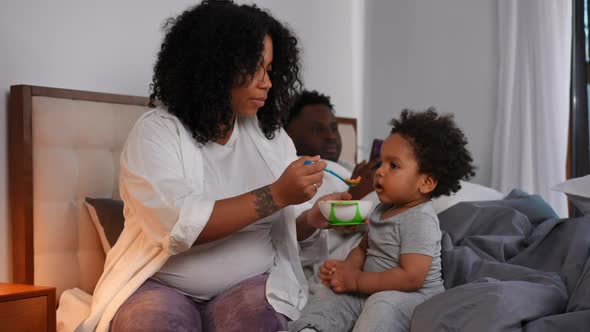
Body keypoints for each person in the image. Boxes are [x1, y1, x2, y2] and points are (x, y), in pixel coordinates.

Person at [76, 1, 350, 331]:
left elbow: (288, 228)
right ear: (214, 67)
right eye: (255, 68)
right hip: (163, 286)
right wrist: (276, 194)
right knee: (152, 323)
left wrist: (312, 218)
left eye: (270, 69)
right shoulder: (157, 133)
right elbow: (178, 226)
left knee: (259, 322)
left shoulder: (271, 137)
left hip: (249, 284)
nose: (267, 83)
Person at [289, 108, 476, 332]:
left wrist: (357, 281)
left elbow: (411, 278)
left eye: (393, 166)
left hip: (412, 297)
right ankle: (311, 328)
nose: (380, 172)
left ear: (426, 183)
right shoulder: (382, 209)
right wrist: (346, 271)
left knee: (382, 305)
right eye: (380, 163)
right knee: (330, 295)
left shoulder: (420, 220)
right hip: (371, 287)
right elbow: (364, 248)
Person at [284, 90, 378, 290]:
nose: (330, 136)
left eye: (334, 128)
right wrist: (356, 194)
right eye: (317, 129)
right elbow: (305, 234)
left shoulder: (345, 165)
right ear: (288, 134)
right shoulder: (294, 171)